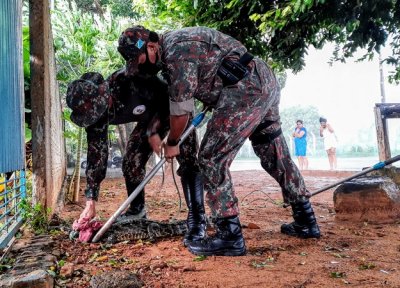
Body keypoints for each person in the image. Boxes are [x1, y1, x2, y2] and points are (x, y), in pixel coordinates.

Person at [117, 26, 321, 256]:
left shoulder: (175, 52)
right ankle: (306, 219)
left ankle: (229, 235)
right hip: (262, 81)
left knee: (211, 158)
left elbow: (181, 112)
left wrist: (172, 141)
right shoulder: (178, 43)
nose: (142, 67)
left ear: (152, 46)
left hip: (244, 90)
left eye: (141, 60)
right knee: (273, 151)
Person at [66, 69, 207, 244]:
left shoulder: (128, 79)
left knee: (188, 161)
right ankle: (137, 210)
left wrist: (158, 133)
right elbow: (96, 156)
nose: (101, 113)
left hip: (174, 111)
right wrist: (90, 200)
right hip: (148, 121)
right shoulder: (96, 117)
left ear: (104, 93)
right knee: (131, 162)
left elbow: (172, 98)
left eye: (102, 107)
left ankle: (198, 218)